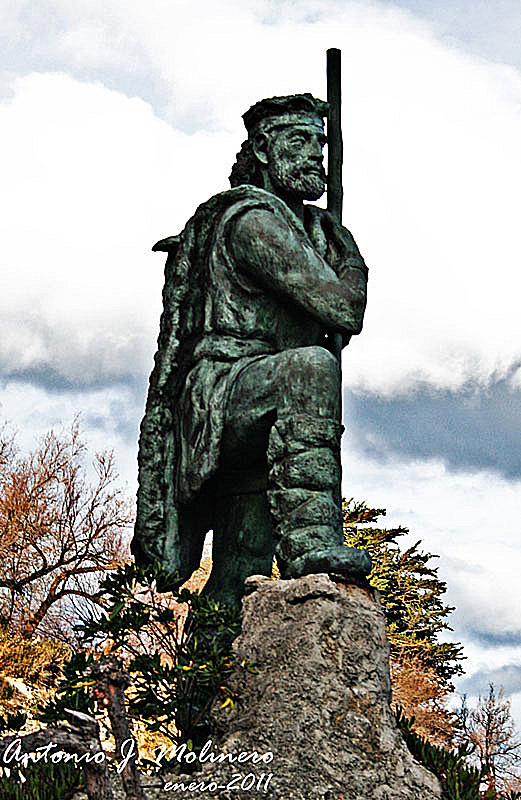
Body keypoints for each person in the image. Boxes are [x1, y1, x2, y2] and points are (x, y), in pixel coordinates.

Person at [132, 93, 370, 605]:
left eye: (321, 144)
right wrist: (350, 259)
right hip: (225, 390)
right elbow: (344, 310)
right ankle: (313, 543)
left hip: (259, 403)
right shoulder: (254, 222)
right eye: (300, 141)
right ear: (264, 150)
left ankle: (206, 673)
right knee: (310, 369)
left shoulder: (304, 228)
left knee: (242, 566)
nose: (316, 156)